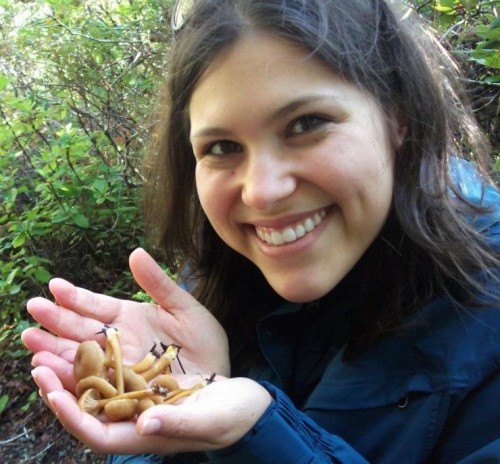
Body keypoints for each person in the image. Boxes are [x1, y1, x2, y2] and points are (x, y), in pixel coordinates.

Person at [21, 0, 500, 462]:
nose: (263, 192)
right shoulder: (220, 271)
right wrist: (182, 426)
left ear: (399, 119)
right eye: (223, 146)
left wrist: (257, 433)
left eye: (306, 123)